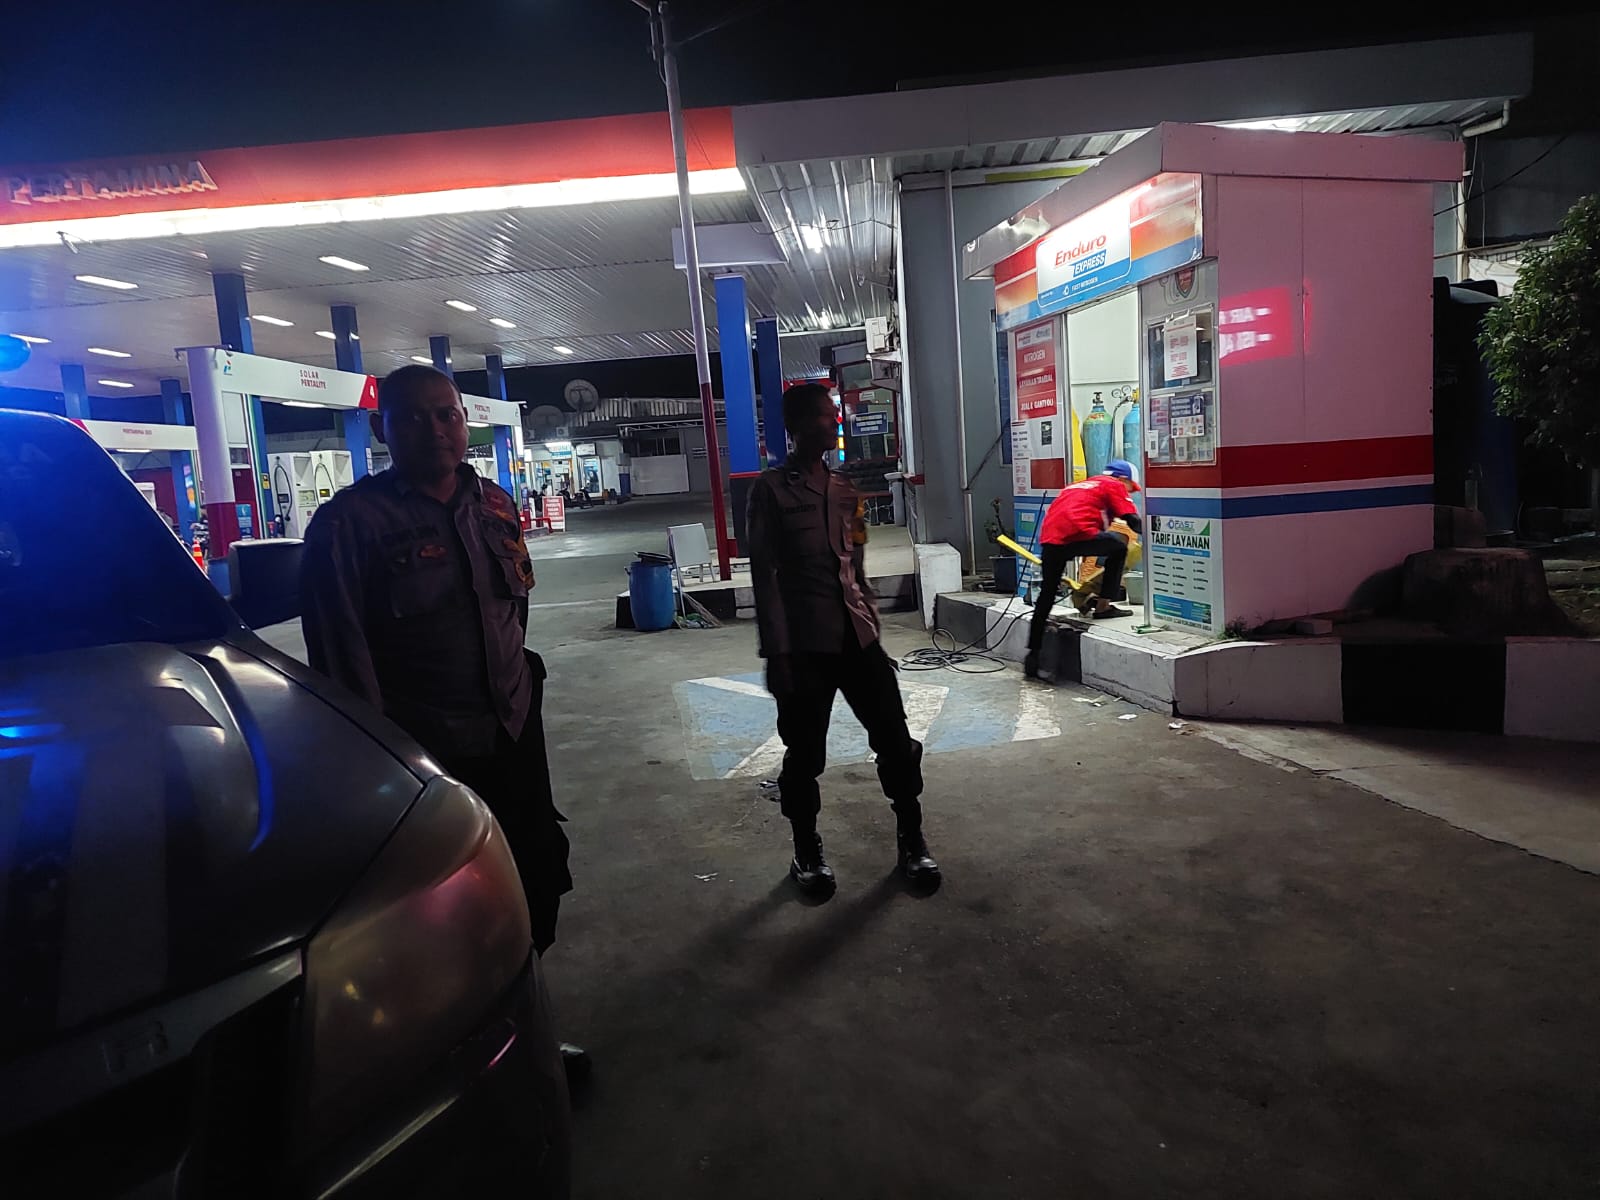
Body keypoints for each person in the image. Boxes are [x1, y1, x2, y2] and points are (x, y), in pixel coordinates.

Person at [298, 364, 584, 1072]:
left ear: (465, 421)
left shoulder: (495, 504)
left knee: (535, 873)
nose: (435, 430)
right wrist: (383, 773)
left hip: (511, 728)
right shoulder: (349, 526)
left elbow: (514, 613)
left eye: (447, 414)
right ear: (381, 429)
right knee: (437, 907)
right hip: (424, 755)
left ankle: (523, 1022)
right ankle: (457, 1053)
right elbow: (342, 658)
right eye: (413, 417)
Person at [746, 382, 940, 897]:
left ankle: (912, 838)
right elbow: (764, 577)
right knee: (805, 755)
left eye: (832, 414)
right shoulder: (770, 491)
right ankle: (806, 850)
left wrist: (873, 628)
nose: (833, 422)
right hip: (804, 646)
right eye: (822, 415)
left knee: (896, 742)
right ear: (796, 427)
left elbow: (857, 566)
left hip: (858, 639)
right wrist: (776, 654)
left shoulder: (844, 489)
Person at [1024, 458, 1143, 680]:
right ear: (1123, 479)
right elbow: (1132, 519)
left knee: (1046, 595)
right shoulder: (1113, 484)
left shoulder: (1079, 485)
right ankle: (1103, 606)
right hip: (1077, 535)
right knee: (1119, 547)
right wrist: (1156, 535)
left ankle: (1032, 657)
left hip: (1051, 540)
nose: (1130, 492)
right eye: (1131, 487)